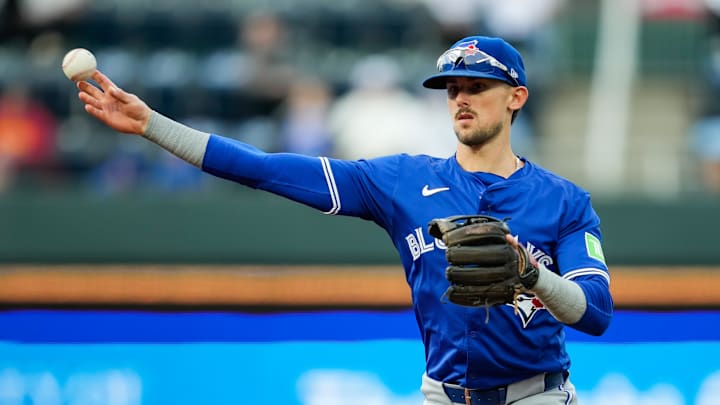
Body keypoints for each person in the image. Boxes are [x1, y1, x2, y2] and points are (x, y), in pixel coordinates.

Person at [75, 35, 613, 405]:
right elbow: (266, 169)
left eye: (476, 87)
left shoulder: (564, 201)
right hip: (443, 394)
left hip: (537, 394)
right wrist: (153, 126)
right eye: (452, 89)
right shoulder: (402, 181)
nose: (461, 99)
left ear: (516, 96)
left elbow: (596, 314)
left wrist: (530, 274)